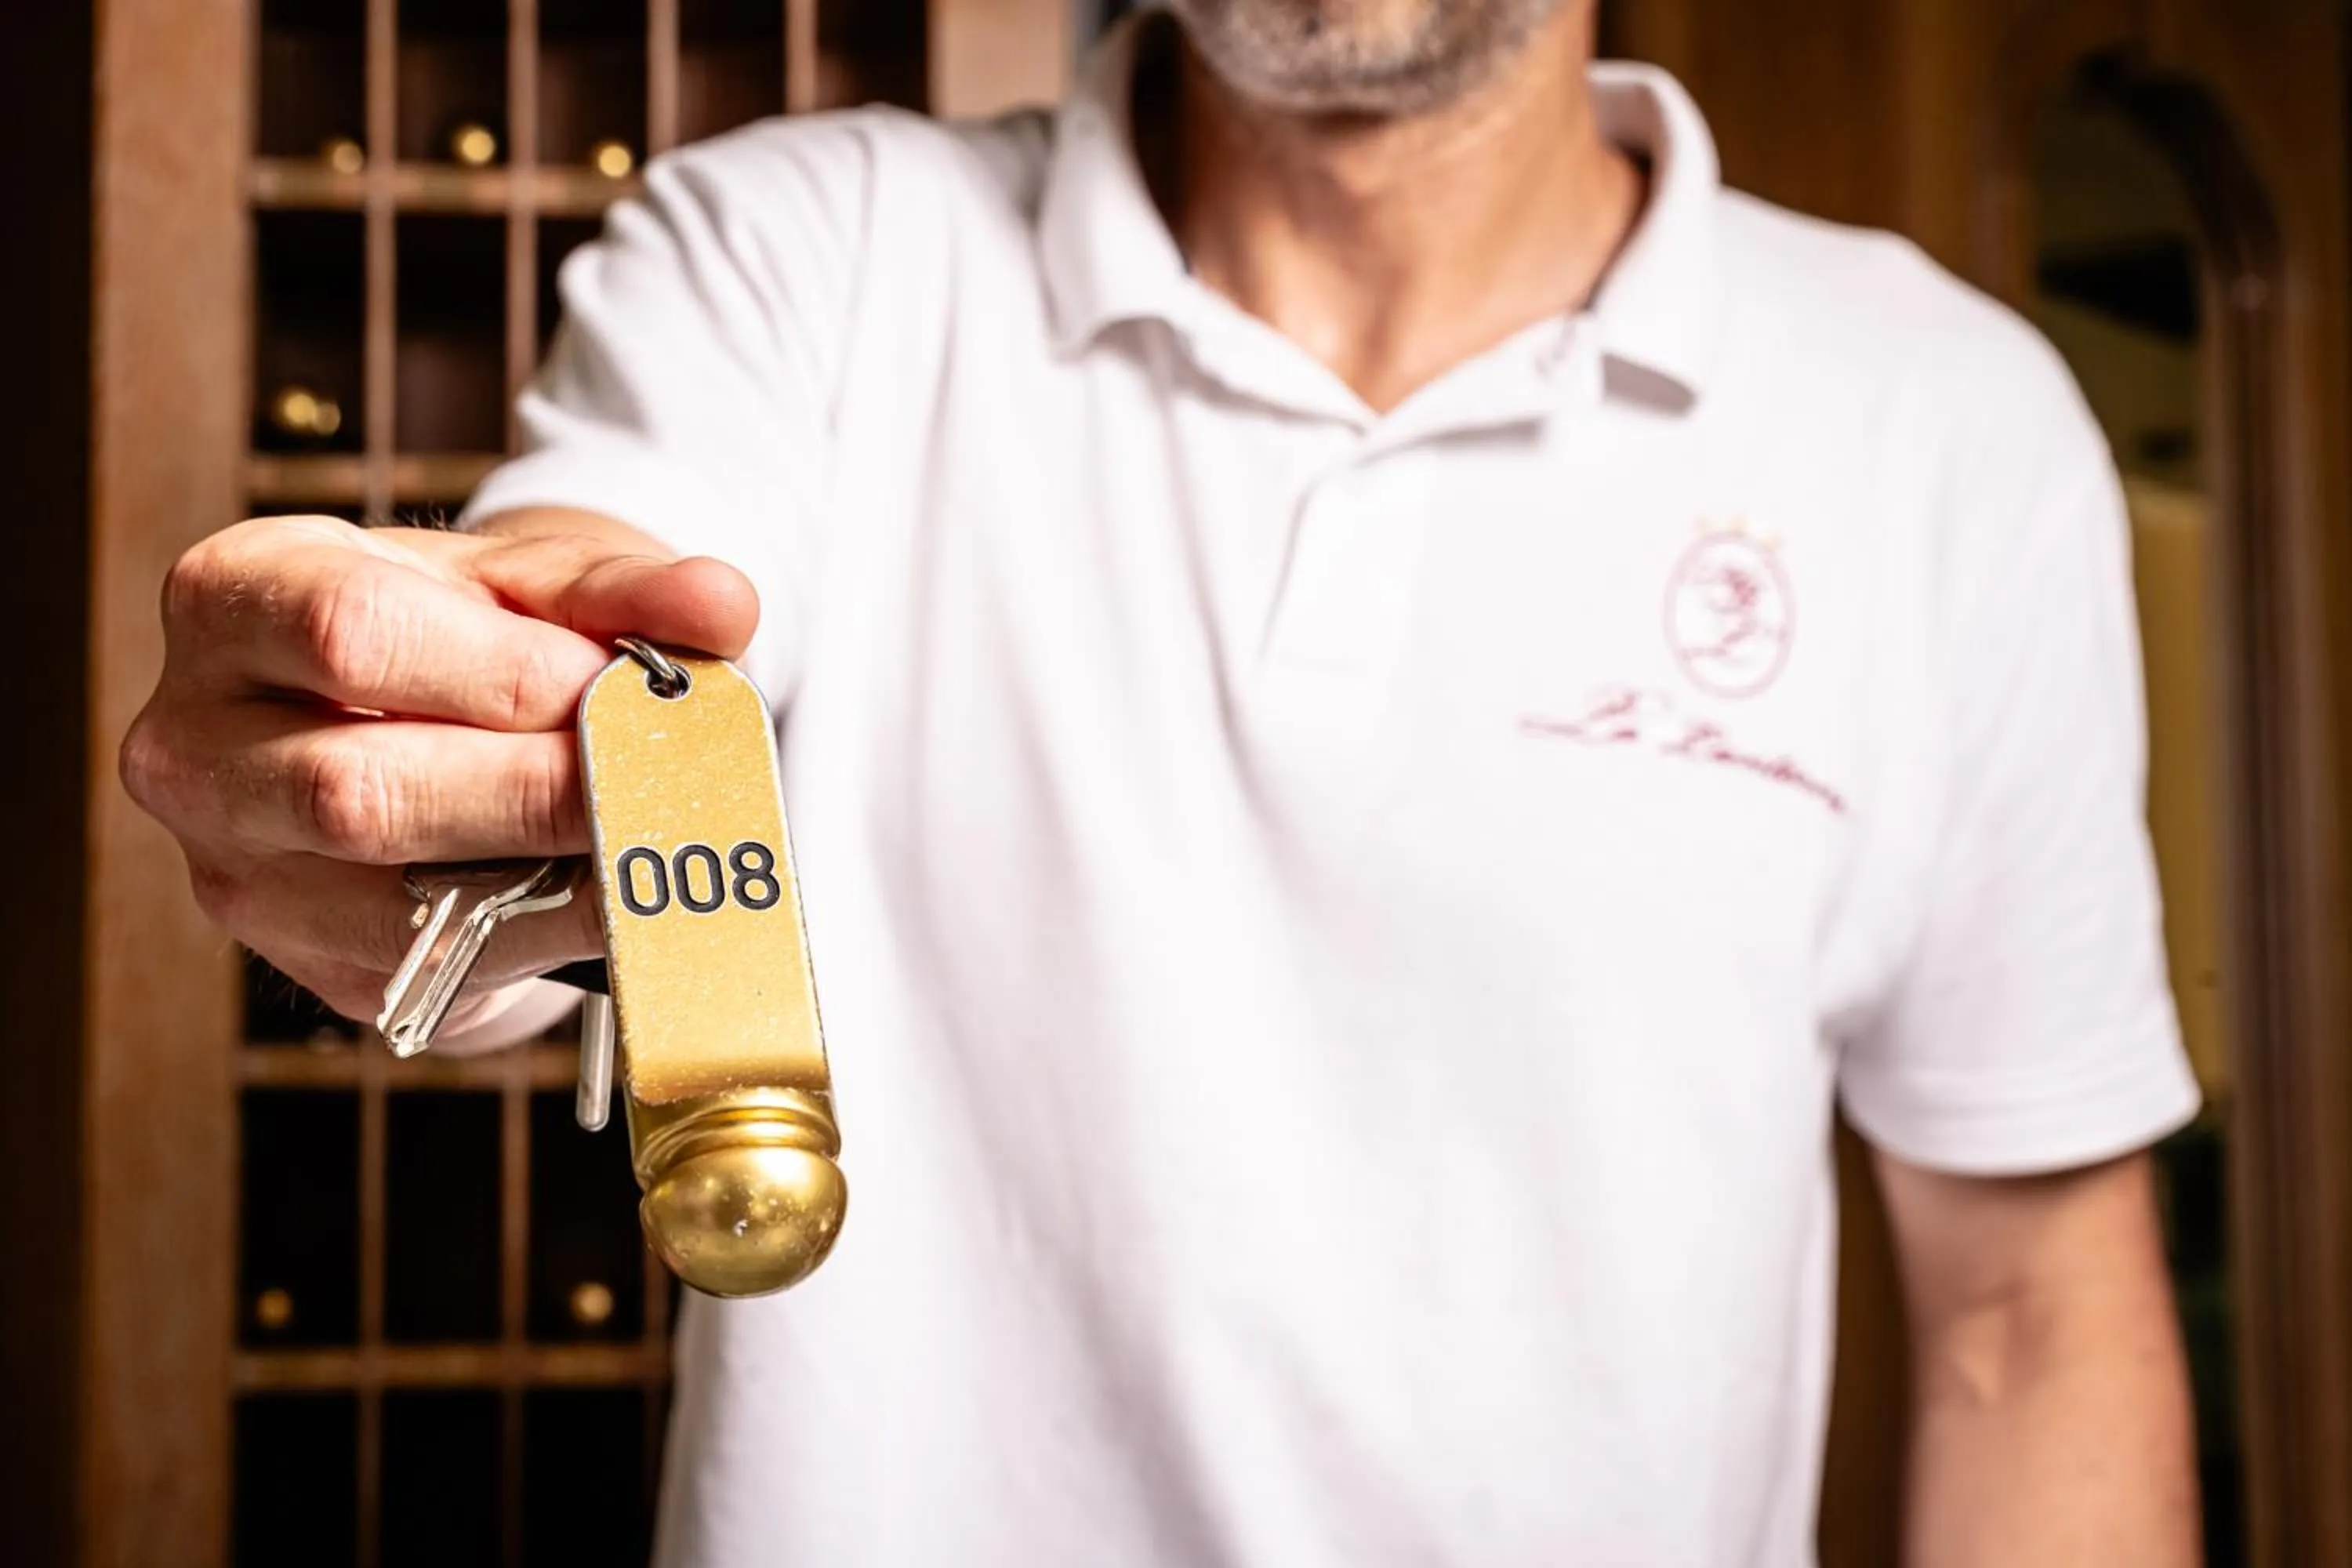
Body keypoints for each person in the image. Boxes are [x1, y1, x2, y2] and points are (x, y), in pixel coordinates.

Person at [124, 1, 2202, 1562]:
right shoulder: (806, 253)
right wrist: (439, 762)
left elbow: (2032, 1313)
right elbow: (581, 624)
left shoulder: (1947, 427)